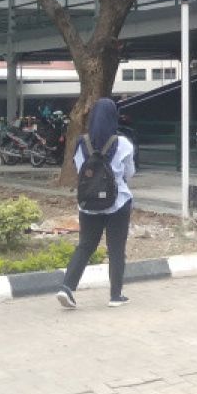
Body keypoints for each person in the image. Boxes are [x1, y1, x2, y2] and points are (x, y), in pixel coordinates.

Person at [57, 98, 136, 309]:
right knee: (116, 248)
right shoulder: (123, 144)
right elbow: (130, 173)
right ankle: (115, 295)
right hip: (117, 203)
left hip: (88, 203)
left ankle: (67, 287)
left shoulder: (81, 143)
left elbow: (80, 169)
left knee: (85, 246)